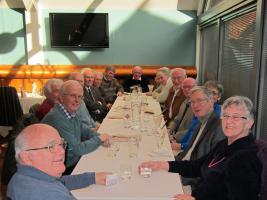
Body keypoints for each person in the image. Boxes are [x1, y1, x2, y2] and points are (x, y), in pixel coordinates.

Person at [139, 96, 262, 200]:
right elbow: (198, 166)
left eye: (236, 117)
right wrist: (163, 165)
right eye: (226, 115)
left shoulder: (245, 158)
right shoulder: (225, 144)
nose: (229, 121)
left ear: (250, 123)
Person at [7, 124, 110, 200]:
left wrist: (91, 178)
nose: (62, 151)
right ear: (26, 157)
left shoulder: (22, 177)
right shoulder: (49, 195)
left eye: (61, 144)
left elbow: (59, 182)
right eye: (51, 146)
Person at [42, 80, 110, 173]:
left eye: (80, 97)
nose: (77, 100)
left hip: (73, 161)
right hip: (64, 170)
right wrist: (99, 139)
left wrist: (99, 136)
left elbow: (84, 130)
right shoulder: (57, 118)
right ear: (61, 97)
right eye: (73, 96)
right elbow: (77, 149)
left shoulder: (69, 111)